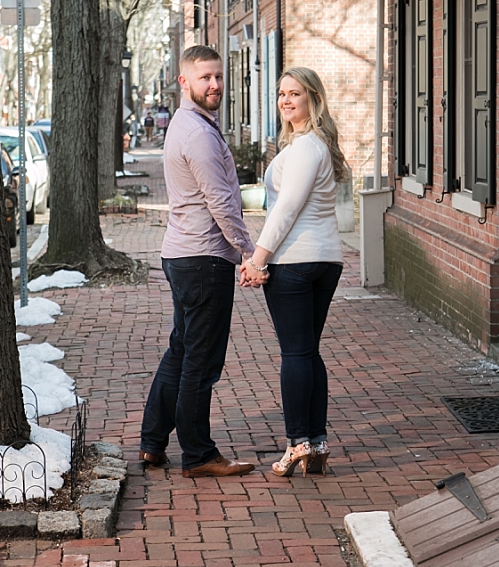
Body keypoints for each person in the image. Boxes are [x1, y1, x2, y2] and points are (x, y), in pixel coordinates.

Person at [139, 45, 265, 478]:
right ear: (184, 81)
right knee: (201, 361)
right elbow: (222, 203)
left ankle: (153, 443)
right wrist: (250, 253)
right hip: (203, 259)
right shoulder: (197, 132)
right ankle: (199, 454)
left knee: (182, 351)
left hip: (184, 255)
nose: (213, 85)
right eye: (204, 78)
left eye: (217, 77)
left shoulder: (187, 124)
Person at [239, 67, 348, 478]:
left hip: (296, 262)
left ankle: (298, 440)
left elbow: (285, 210)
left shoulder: (305, 149)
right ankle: (316, 443)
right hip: (323, 259)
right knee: (308, 352)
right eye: (282, 93)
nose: (286, 101)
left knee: (296, 354)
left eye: (295, 94)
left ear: (312, 100)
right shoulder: (313, 145)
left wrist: (258, 259)